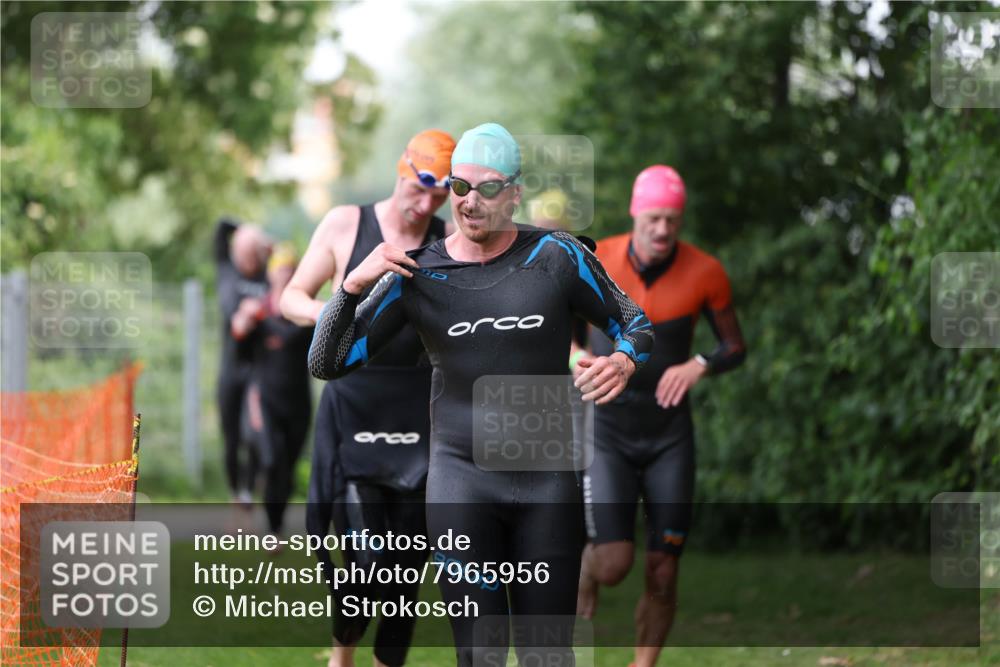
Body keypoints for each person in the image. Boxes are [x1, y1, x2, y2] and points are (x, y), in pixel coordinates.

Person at [308, 122, 655, 667]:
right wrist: (352, 286)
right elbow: (324, 361)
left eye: (488, 188)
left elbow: (634, 321)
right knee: (480, 656)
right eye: (460, 187)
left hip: (547, 482)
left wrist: (623, 358)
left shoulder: (557, 256)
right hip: (460, 485)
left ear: (515, 192)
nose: (470, 202)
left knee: (548, 655)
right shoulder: (416, 273)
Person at [281, 129, 456, 667]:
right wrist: (342, 313)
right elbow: (290, 298)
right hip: (353, 404)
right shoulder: (345, 223)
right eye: (419, 188)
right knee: (360, 560)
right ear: (403, 171)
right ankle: (342, 655)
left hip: (420, 411)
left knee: (407, 566)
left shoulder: (450, 242)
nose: (425, 203)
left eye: (440, 194)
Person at [574, 165, 747, 667]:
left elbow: (734, 345)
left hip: (669, 434)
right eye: (653, 218)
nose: (663, 229)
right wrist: (573, 361)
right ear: (635, 213)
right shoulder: (596, 259)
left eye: (672, 219)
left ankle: (643, 664)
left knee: (664, 568)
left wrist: (700, 364)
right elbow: (558, 326)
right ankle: (584, 570)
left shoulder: (705, 271)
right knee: (612, 565)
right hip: (607, 430)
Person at [231, 243, 314, 541]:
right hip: (265, 400)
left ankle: (275, 524)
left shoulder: (305, 315)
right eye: (280, 269)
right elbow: (237, 341)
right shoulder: (259, 312)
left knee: (287, 468)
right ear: (271, 273)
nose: (285, 274)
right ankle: (271, 525)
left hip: (299, 402)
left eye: (290, 270)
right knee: (271, 459)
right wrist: (242, 320)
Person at [213, 218, 272, 506]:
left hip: (258, 370)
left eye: (253, 253)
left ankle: (250, 488)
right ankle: (236, 492)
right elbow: (221, 226)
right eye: (244, 252)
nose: (248, 259)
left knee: (254, 433)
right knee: (231, 438)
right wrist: (247, 229)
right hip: (230, 369)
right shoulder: (227, 271)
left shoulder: (267, 277)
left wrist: (261, 239)